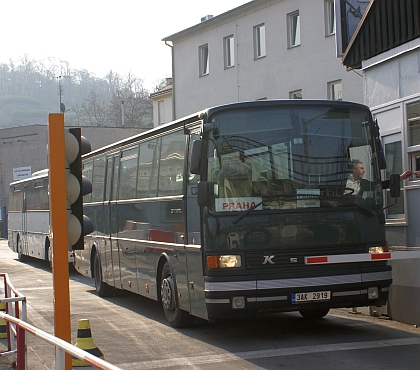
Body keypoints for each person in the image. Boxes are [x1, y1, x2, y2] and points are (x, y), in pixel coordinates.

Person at [345, 159, 411, 195]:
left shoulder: (363, 183)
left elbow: (379, 185)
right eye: (361, 168)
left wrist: (401, 177)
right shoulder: (342, 181)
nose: (364, 171)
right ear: (354, 169)